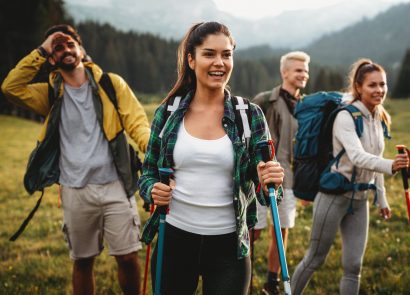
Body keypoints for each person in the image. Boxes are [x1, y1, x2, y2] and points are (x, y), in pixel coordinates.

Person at [1, 24, 150, 294]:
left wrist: (152, 149)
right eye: (57, 48)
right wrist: (42, 49)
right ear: (50, 58)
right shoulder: (49, 93)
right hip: (74, 189)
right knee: (82, 261)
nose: (65, 49)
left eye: (70, 44)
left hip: (116, 185)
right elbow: (10, 87)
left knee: (128, 258)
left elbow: (137, 123)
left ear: (81, 50)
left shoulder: (110, 84)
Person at [138, 21, 284, 295]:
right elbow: (147, 174)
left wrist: (270, 180)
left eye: (226, 54)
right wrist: (152, 190)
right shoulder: (168, 113)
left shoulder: (248, 115)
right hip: (175, 240)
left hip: (229, 247)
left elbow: (268, 191)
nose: (220, 62)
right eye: (209, 54)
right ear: (191, 60)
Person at [291, 59, 409, 295]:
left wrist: (382, 199)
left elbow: (376, 156)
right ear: (358, 87)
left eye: (382, 85)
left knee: (354, 266)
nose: (379, 90)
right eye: (372, 85)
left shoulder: (378, 117)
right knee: (315, 258)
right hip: (334, 195)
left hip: (360, 199)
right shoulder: (346, 117)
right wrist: (392, 165)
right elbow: (357, 156)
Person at [252, 51, 310, 295]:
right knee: (252, 230)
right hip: (261, 177)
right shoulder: (265, 100)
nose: (303, 74)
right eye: (298, 70)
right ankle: (242, 277)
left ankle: (272, 282)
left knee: (282, 229)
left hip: (289, 178)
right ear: (284, 72)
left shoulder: (306, 106)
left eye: (306, 70)